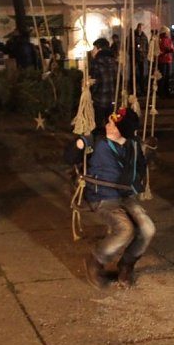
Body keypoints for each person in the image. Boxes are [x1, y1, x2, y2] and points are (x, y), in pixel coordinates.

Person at [66, 108, 155, 288]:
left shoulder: (134, 145)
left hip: (127, 196)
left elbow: (141, 166)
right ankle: (96, 260)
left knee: (148, 228)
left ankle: (126, 264)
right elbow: (69, 157)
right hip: (103, 196)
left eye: (113, 126)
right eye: (109, 123)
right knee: (125, 230)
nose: (108, 127)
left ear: (124, 131)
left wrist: (149, 155)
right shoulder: (97, 143)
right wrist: (78, 145)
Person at [89, 37, 118, 135]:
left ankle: (99, 144)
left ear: (99, 49)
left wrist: (91, 94)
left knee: (98, 125)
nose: (93, 50)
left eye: (94, 48)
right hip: (112, 98)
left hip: (99, 99)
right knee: (111, 123)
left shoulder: (96, 62)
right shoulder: (113, 61)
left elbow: (93, 82)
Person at [157, 27, 174, 97]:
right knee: (162, 77)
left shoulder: (169, 40)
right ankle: (161, 92)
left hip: (168, 60)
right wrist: (166, 50)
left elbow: (173, 47)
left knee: (167, 76)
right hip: (162, 60)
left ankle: (166, 91)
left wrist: (171, 50)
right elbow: (160, 49)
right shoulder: (160, 40)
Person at [132, 23, 149, 95]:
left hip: (142, 57)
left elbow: (147, 46)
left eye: (141, 28)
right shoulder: (133, 35)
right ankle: (135, 89)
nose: (140, 29)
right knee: (135, 73)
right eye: (139, 27)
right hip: (135, 57)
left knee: (142, 74)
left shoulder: (144, 36)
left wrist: (145, 53)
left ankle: (142, 88)